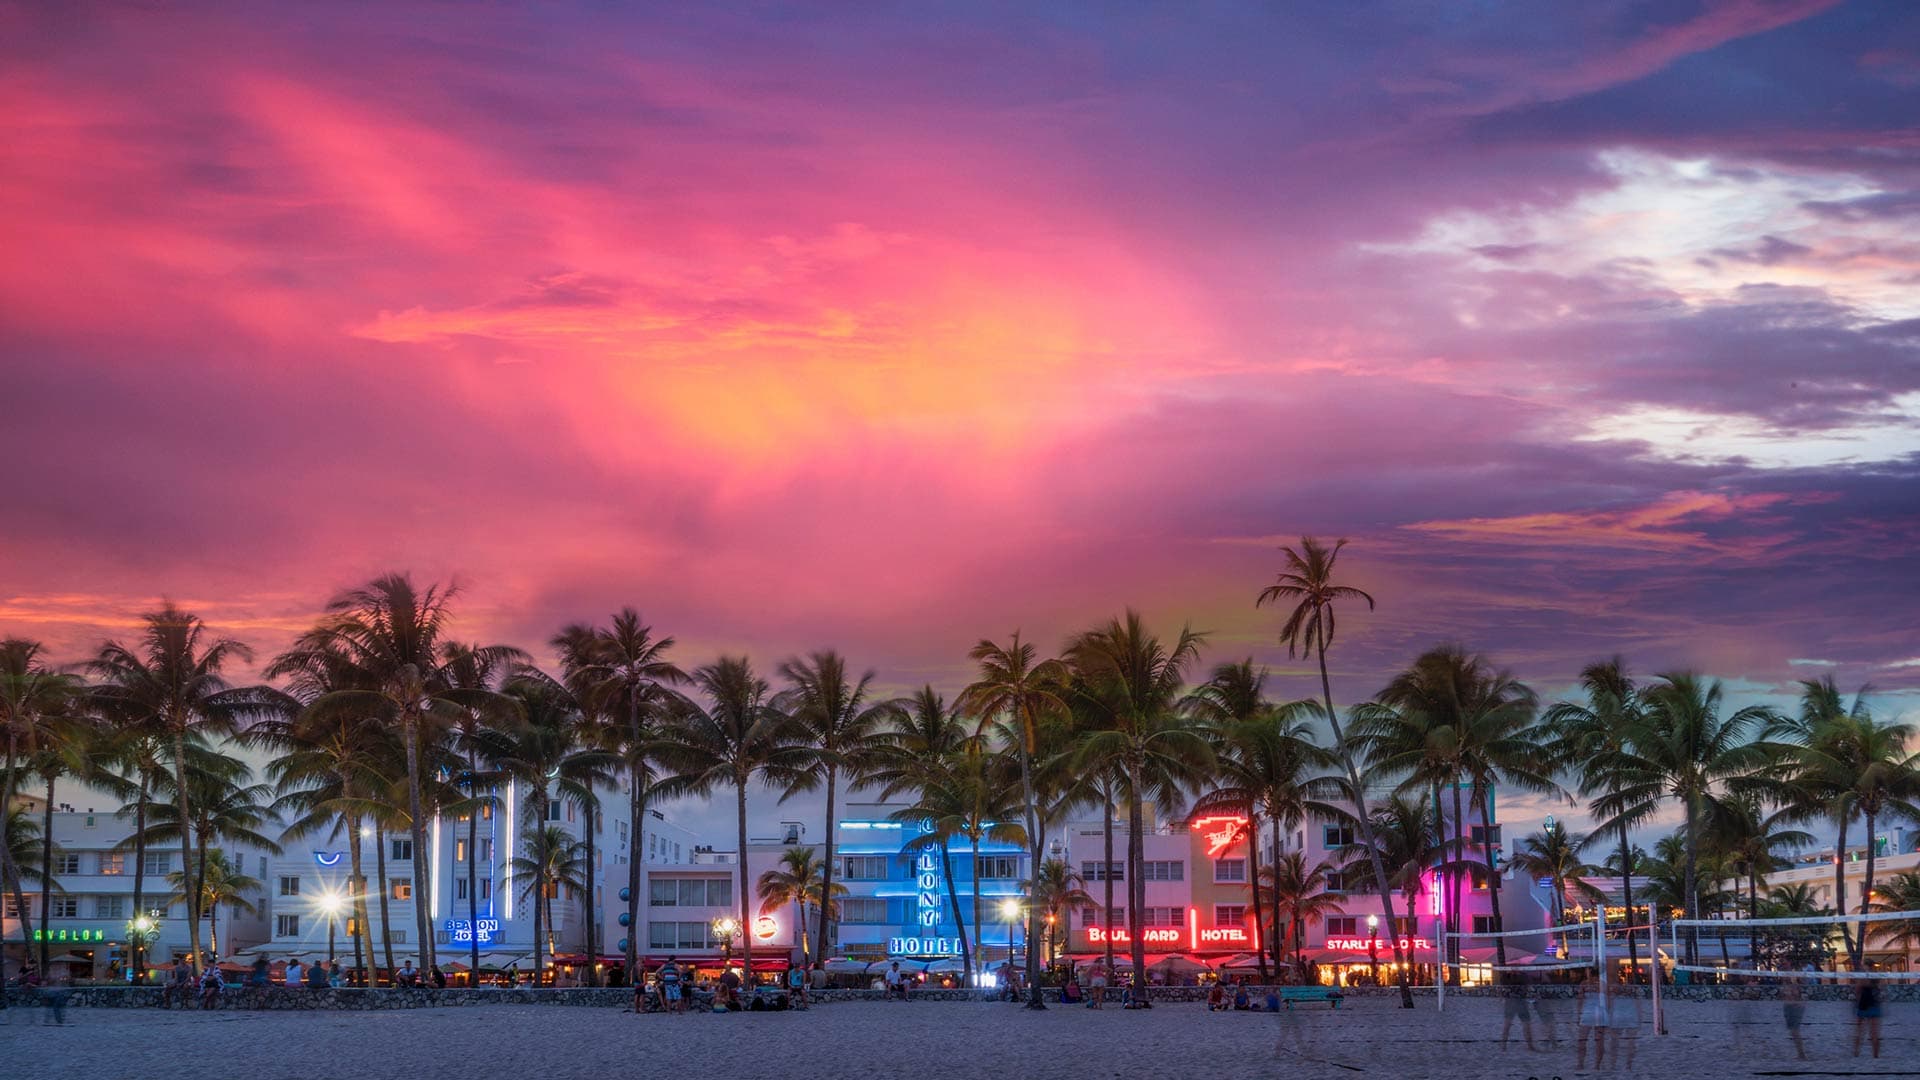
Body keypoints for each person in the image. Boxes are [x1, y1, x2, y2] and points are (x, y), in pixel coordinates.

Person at [1575, 971, 1607, 1070]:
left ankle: (1587, 1064)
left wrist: (1579, 1014)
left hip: (1592, 1013)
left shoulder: (1599, 984)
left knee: (1587, 1040)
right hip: (1593, 1013)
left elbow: (1580, 1000)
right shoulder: (1600, 984)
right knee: (1591, 1040)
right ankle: (1590, 1065)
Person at [1500, 980, 1535, 1052]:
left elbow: (1503, 992)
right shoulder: (1509, 976)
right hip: (1514, 1003)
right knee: (1508, 1025)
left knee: (1525, 1026)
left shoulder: (1513, 976)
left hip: (1517, 1003)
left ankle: (1504, 1046)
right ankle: (1503, 1046)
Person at [1853, 978, 1882, 1058]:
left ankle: (1856, 1053)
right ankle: (1875, 1055)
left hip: (1863, 1005)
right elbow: (1880, 989)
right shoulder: (1876, 974)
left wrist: (1859, 1001)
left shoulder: (1862, 976)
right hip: (1873, 1004)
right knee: (1874, 1033)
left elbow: (1857, 990)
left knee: (1859, 1032)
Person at [1781, 975, 1807, 1060]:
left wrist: (1791, 994)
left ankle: (1801, 1054)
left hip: (1794, 1007)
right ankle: (1800, 1054)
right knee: (1793, 1032)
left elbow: (1796, 996)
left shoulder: (1794, 985)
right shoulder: (1785, 985)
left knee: (1795, 1032)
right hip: (1789, 1007)